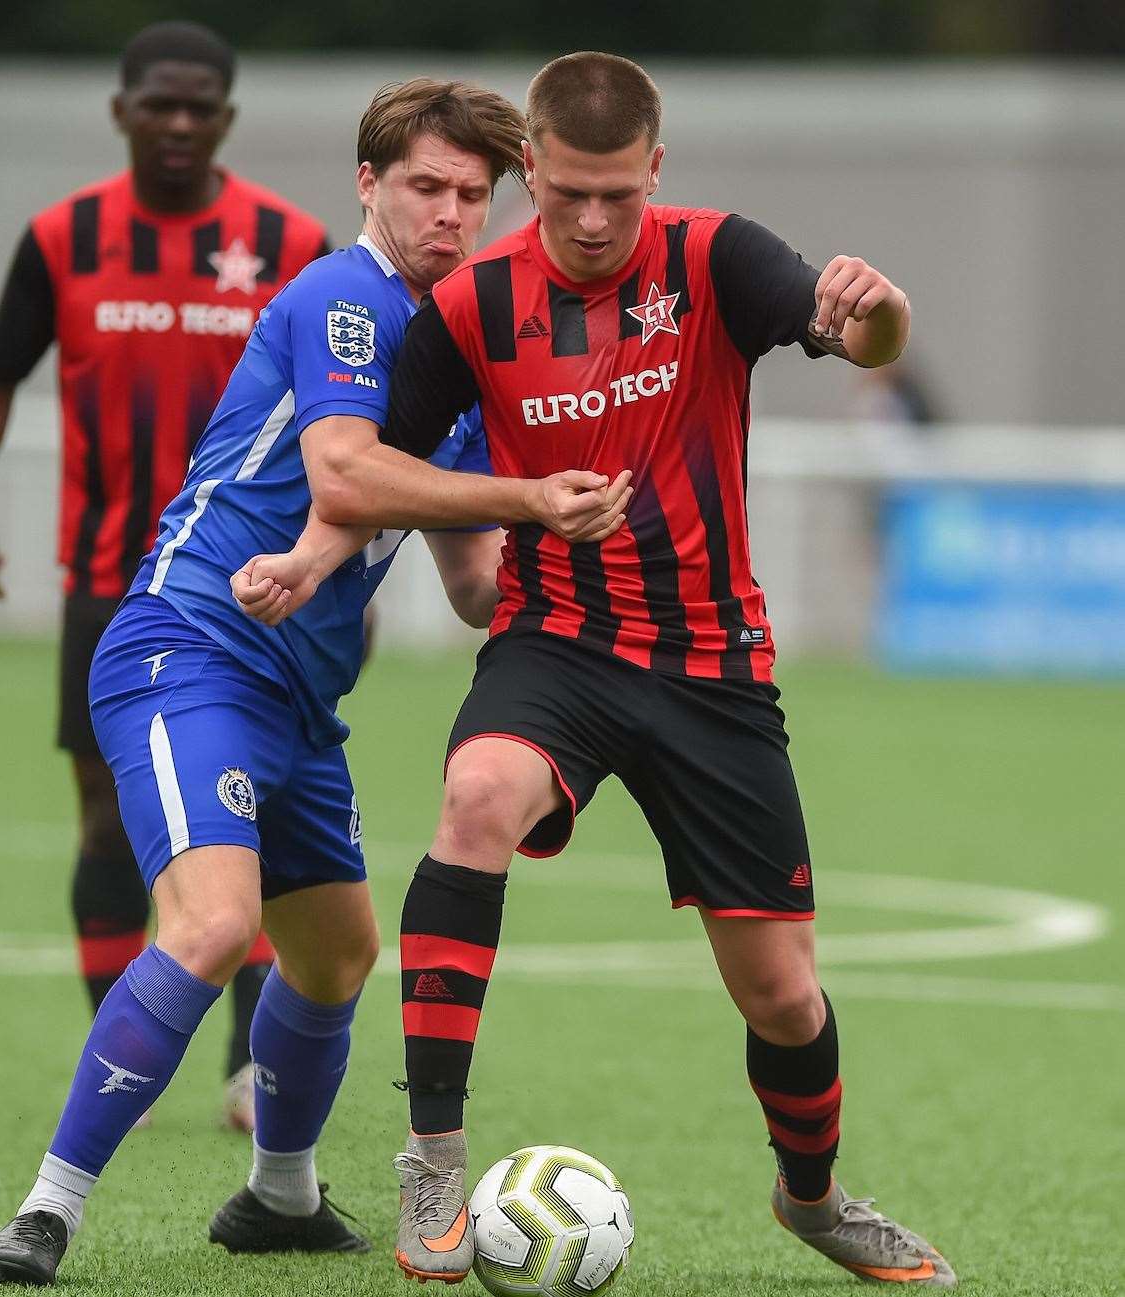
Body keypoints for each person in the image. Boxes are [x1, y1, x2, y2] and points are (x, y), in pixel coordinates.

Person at [239, 50, 956, 1290]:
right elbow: (381, 462)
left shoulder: (717, 257)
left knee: (783, 995)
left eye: (614, 196)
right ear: (531, 170)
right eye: (563, 191)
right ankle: (433, 1161)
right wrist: (309, 556)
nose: (586, 220)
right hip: (554, 645)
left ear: (654, 174)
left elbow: (866, 341)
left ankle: (816, 1197)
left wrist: (876, 306)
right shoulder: (468, 305)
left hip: (711, 665)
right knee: (473, 802)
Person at [0, 76, 629, 1287]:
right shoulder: (344, 295)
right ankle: (47, 1209)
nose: (448, 213)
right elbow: (340, 475)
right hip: (188, 649)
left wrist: (578, 533)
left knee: (334, 955)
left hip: (297, 701)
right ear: (369, 186)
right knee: (217, 927)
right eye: (425, 186)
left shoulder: (459, 364)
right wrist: (527, 494)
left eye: (471, 196)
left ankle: (279, 1197)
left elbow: (478, 587)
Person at [0, 21, 328, 1131]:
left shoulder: (289, 240)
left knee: (247, 810)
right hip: (108, 576)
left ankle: (251, 1070)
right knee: (107, 822)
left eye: (202, 106)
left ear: (227, 120)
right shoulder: (64, 239)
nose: (180, 123)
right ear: (121, 111)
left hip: (254, 580)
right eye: (160, 103)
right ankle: (127, 1041)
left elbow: (348, 402)